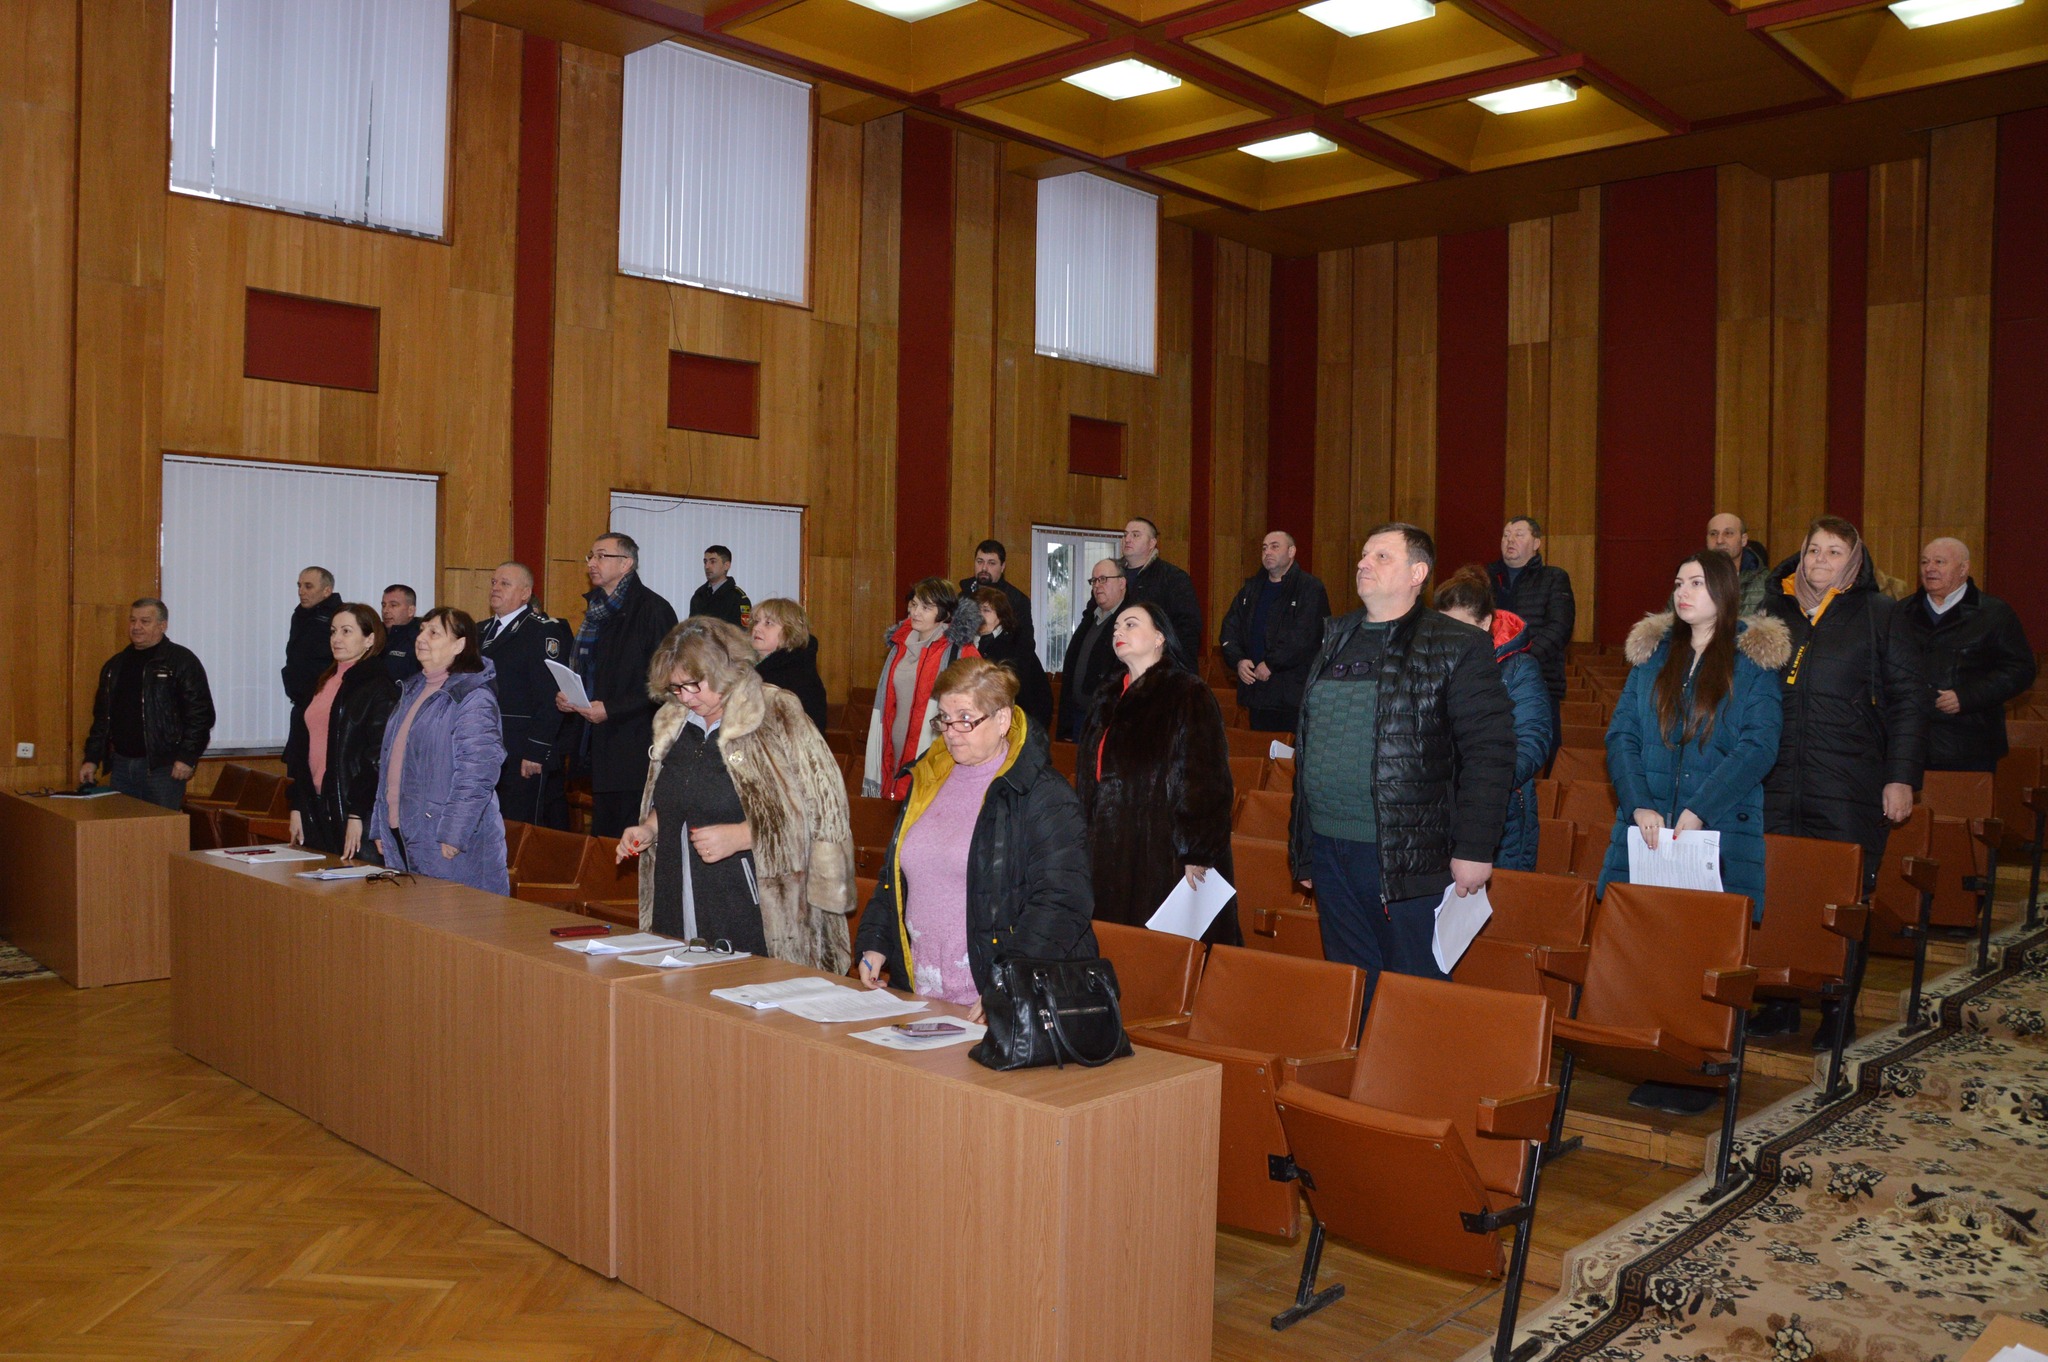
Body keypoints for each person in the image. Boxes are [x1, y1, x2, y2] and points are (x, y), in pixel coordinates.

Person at [1290, 524, 1516, 1014]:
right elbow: (1310, 744)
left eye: (1381, 556)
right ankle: (1364, 1064)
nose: (1363, 563)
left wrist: (1475, 847)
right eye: (1363, 554)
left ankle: (1421, 1067)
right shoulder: (1336, 636)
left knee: (1414, 992)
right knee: (1354, 988)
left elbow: (1490, 752)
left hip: (1406, 853)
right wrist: (1305, 850)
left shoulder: (1456, 644)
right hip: (1330, 847)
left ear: (1418, 573)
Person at [1599, 553, 1789, 1113]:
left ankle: (1703, 1072)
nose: (1683, 591)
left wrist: (1701, 809)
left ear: (1725, 591)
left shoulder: (1751, 662)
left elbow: (1759, 746)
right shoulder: (1654, 656)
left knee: (1704, 953)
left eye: (1698, 582)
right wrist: (1638, 803)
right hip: (1650, 832)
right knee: (1652, 952)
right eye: (1678, 581)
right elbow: (1621, 736)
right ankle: (1659, 1061)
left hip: (1719, 830)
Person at [1761, 516, 1928, 1051]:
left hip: (1849, 780)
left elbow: (1909, 701)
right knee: (1778, 892)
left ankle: (1839, 1010)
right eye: (1813, 550)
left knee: (1842, 898)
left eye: (1834, 552)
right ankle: (1780, 1002)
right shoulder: (1772, 613)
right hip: (1774, 780)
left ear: (1854, 560)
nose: (1820, 561)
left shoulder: (1881, 613)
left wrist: (1901, 777)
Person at [856, 658, 1096, 1014]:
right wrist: (876, 941)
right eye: (944, 718)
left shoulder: (1042, 794)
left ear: (1002, 720)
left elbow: (1062, 900)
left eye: (965, 718)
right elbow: (894, 875)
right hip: (921, 993)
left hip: (996, 998)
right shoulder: (928, 779)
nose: (951, 732)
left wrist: (1007, 981)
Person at [618, 619, 856, 969]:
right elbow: (675, 794)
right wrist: (650, 828)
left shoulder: (775, 711)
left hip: (752, 900)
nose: (685, 697)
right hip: (677, 890)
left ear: (722, 670)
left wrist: (744, 836)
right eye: (676, 687)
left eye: (693, 685)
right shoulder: (674, 719)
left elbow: (823, 810)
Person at [1075, 601, 1241, 945]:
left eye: (1131, 624)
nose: (1118, 631)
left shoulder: (1187, 692)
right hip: (1107, 847)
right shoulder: (1107, 696)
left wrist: (1197, 851)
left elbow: (1206, 779)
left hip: (1163, 849)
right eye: (1116, 627)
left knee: (1158, 954)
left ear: (1159, 637)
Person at [370, 607, 509, 893]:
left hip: (446, 838)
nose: (422, 637)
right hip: (403, 830)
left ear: (459, 645)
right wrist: (380, 823)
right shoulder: (412, 689)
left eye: (434, 633)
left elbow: (477, 773)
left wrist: (455, 832)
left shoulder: (473, 697)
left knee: (453, 917)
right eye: (422, 630)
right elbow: (389, 764)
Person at [556, 532, 679, 837]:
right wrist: (571, 696)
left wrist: (611, 709)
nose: (591, 563)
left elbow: (666, 684)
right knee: (602, 840)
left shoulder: (653, 610)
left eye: (601, 556)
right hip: (596, 745)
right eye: (591, 556)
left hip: (633, 747)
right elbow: (594, 672)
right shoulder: (597, 610)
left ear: (626, 564)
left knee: (626, 840)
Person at [1434, 566, 1554, 873]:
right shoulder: (1430, 665)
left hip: (1501, 809)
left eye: (1458, 627)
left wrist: (1485, 783)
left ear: (1484, 622)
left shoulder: (1519, 668)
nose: (1449, 638)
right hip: (1438, 810)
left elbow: (1533, 739)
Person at [1893, 537, 2036, 773]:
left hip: (1970, 744)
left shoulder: (1994, 614)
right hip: (1909, 743)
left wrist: (1968, 696)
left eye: (1939, 562)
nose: (1930, 569)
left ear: (1963, 569)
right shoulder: (1901, 612)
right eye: (1925, 562)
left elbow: (2021, 669)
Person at [282, 603, 399, 859]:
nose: (336, 639)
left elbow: (378, 756)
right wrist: (298, 805)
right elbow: (301, 748)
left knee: (356, 881)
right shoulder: (325, 680)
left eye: (346, 631)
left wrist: (357, 813)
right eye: (333, 631)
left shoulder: (378, 686)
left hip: (354, 807)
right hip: (316, 803)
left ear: (369, 639)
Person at [80, 597, 215, 810]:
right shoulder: (115, 666)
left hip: (164, 768)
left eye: (145, 621)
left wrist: (187, 757)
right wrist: (91, 758)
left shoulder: (181, 661)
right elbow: (102, 718)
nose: (136, 627)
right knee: (123, 827)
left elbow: (201, 715)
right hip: (122, 766)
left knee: (161, 828)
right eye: (133, 620)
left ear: (162, 625)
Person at [862, 578, 980, 800]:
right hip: (893, 748)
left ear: (944, 613)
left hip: (934, 751)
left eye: (926, 607)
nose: (916, 612)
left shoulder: (960, 652)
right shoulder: (899, 647)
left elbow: (979, 704)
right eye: (914, 604)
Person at [482, 562, 575, 828]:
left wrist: (537, 749)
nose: (496, 588)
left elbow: (550, 696)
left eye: (505, 583)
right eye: (494, 582)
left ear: (525, 594)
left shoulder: (541, 631)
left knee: (518, 828)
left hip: (521, 749)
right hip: (485, 745)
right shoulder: (480, 631)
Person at [1218, 530, 1331, 733]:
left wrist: (1271, 664)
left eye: (1274, 546)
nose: (1267, 552)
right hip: (1257, 693)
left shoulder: (1309, 588)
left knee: (1289, 750)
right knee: (1260, 746)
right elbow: (1230, 629)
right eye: (1264, 548)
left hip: (1292, 693)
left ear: (1291, 552)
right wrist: (1238, 660)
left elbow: (1305, 636)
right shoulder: (1251, 589)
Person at [1487, 518, 1575, 744]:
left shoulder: (1554, 578)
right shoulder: (1484, 578)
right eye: (1506, 535)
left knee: (1537, 745)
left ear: (1536, 543)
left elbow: (1559, 628)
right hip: (1489, 681)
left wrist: (1522, 662)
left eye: (1519, 534)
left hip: (1539, 679)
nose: (1510, 540)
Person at [1057, 559, 1125, 741]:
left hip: (1108, 720)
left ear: (1121, 583)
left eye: (1103, 579)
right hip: (1080, 716)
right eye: (1094, 581)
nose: (1097, 586)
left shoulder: (1128, 622)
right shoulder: (1090, 618)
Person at [970, 586, 1054, 732]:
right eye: (975, 610)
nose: (979, 615)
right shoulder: (967, 644)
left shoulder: (1017, 645)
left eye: (986, 610)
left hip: (1019, 722)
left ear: (1001, 616)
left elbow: (1026, 693)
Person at [1119, 517, 1203, 660]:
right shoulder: (1112, 577)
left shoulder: (1173, 578)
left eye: (1135, 535)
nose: (1127, 539)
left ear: (1152, 543)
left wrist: (1163, 661)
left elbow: (1188, 628)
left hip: (1159, 665)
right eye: (1125, 535)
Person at [750, 598, 829, 733]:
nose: (756, 628)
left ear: (789, 631)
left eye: (768, 623)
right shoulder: (752, 668)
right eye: (756, 621)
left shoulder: (797, 677)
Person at [958, 539, 1034, 653]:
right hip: (967, 660)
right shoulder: (963, 596)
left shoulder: (1016, 600)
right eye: (980, 561)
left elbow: (1026, 645)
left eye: (991, 563)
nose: (984, 568)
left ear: (1003, 567)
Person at [283, 566, 343, 704]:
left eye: (308, 586)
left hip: (326, 699)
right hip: (300, 699)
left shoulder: (341, 615)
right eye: (299, 586)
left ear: (326, 591)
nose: (301, 591)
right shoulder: (299, 615)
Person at [1707, 513, 1770, 617]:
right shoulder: (1691, 579)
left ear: (1743, 540)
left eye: (1728, 533)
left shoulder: (1767, 584)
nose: (1719, 540)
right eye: (1713, 534)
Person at [689, 545, 751, 628]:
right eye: (705, 562)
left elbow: (742, 633)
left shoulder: (738, 599)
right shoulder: (699, 595)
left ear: (726, 565)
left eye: (713, 562)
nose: (707, 566)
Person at [381, 584, 423, 681]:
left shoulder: (419, 639)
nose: (385, 610)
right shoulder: (377, 634)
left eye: (393, 605)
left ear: (410, 611)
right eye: (383, 605)